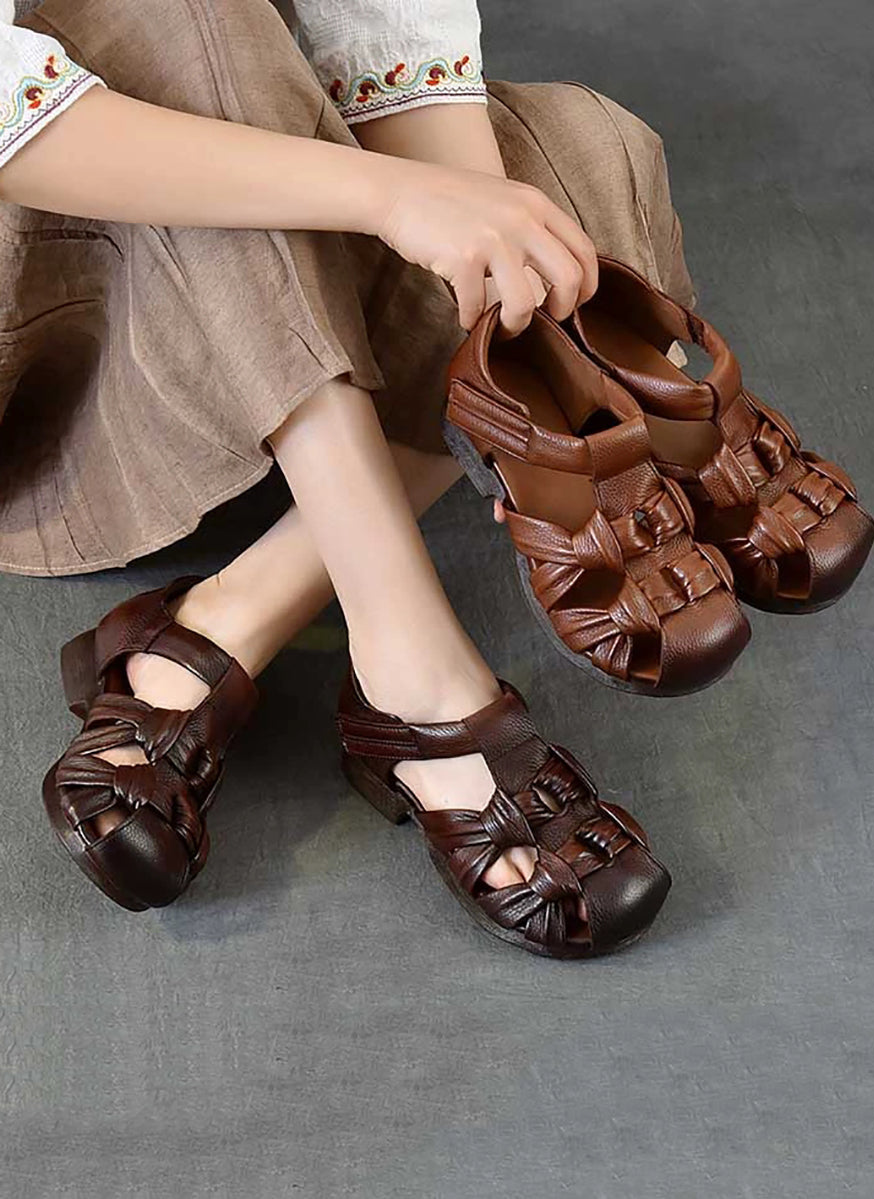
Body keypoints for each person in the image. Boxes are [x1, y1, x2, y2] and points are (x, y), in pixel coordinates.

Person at [1, 0, 699, 957]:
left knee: (567, 156)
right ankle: (420, 674)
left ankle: (239, 612)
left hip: (226, 235)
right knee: (169, 16)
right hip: (50, 311)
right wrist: (389, 199)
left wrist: (483, 267)